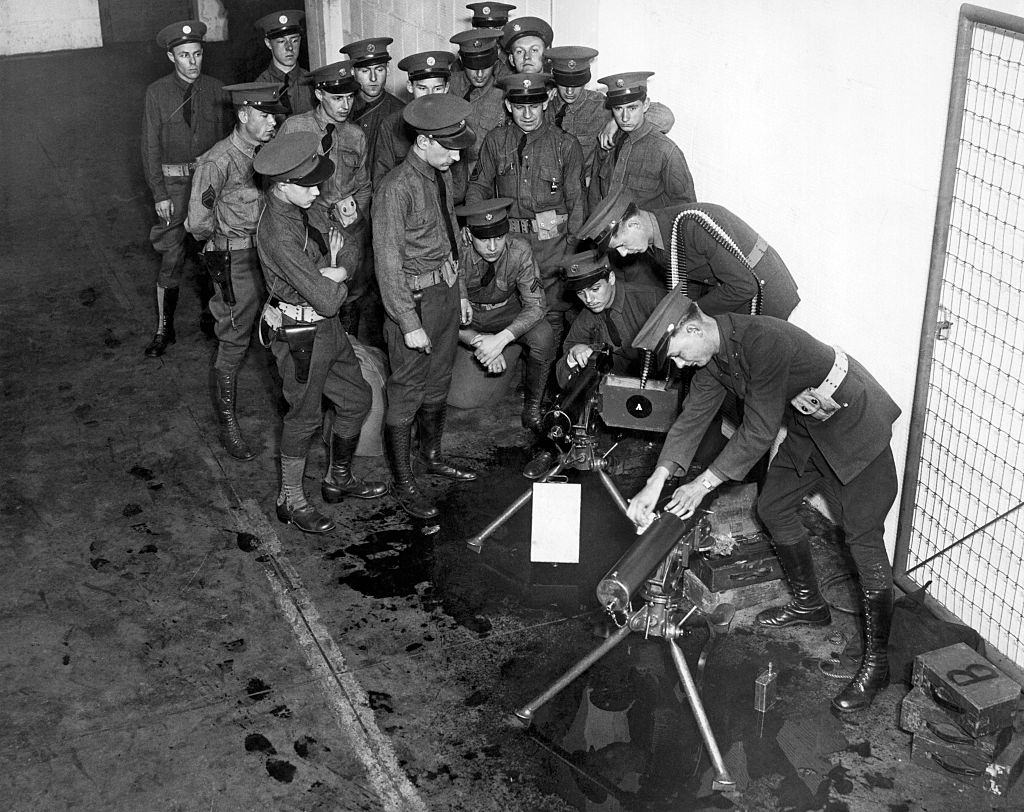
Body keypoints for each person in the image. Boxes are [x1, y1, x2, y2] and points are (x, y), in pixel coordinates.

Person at [626, 296, 901, 714]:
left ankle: (877, 664)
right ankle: (810, 605)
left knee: (863, 536)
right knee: (772, 506)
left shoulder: (762, 340)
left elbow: (758, 431)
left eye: (679, 353)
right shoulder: (714, 359)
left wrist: (702, 485)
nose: (680, 365)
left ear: (694, 329)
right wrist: (656, 480)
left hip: (852, 425)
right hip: (809, 427)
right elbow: (692, 418)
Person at [254, 132, 387, 534]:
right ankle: (290, 500)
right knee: (304, 418)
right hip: (300, 334)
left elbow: (349, 244)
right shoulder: (277, 232)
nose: (317, 190)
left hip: (327, 330)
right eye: (308, 184)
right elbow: (329, 301)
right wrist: (330, 277)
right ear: (281, 186)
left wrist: (337, 270)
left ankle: (337, 478)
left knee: (356, 397)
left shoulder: (306, 208)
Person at [373, 95, 479, 520]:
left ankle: (431, 455)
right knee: (406, 392)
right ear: (421, 141)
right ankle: (403, 481)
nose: (456, 156)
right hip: (413, 302)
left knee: (439, 381)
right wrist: (407, 320)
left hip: (446, 293)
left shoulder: (440, 174)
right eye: (449, 147)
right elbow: (387, 260)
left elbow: (452, 232)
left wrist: (463, 292)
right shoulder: (395, 188)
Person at [186, 82, 284, 460]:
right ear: (243, 115)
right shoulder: (218, 161)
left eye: (274, 114)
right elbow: (197, 222)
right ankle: (229, 426)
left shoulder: (268, 155)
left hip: (271, 256)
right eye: (264, 115)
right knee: (235, 338)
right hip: (237, 262)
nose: (273, 121)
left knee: (278, 329)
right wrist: (225, 242)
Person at [466, 72, 585, 350]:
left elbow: (578, 203)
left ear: (546, 103)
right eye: (520, 107)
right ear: (508, 106)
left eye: (534, 105)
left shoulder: (565, 145)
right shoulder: (496, 141)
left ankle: (542, 386)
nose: (527, 114)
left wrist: (571, 252)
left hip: (551, 247)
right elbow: (479, 186)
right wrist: (474, 228)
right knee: (513, 308)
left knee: (551, 314)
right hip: (507, 243)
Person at [522, 250, 666, 479]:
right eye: (581, 293)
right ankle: (554, 446)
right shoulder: (588, 316)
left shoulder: (652, 299)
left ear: (611, 278)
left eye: (595, 289)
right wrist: (572, 356)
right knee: (580, 387)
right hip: (615, 391)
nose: (589, 299)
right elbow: (561, 378)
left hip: (657, 387)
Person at [141, 20, 228, 357]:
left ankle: (216, 319)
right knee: (172, 257)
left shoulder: (217, 88)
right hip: (174, 186)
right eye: (185, 55)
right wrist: (159, 194)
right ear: (171, 57)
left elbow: (224, 141)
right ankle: (165, 328)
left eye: (197, 54)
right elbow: (150, 148)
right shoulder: (157, 93)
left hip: (208, 183)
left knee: (215, 253)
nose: (193, 62)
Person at [579, 187, 801, 319]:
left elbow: (744, 286)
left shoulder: (691, 225)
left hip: (764, 289)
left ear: (634, 224)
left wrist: (691, 312)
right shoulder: (656, 239)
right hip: (735, 287)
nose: (624, 255)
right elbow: (690, 282)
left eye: (622, 245)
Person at [278, 60, 373, 339]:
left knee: (350, 295)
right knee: (313, 294)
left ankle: (350, 349)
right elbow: (278, 182)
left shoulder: (355, 135)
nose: (345, 105)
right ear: (319, 94)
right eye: (337, 98)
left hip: (345, 229)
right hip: (308, 230)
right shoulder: (296, 128)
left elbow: (364, 185)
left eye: (349, 97)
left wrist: (353, 220)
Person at [453, 197, 554, 431]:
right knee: (460, 398)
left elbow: (536, 305)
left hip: (506, 314)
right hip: (467, 320)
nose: (492, 247)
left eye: (499, 238)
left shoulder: (519, 250)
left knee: (543, 335)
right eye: (484, 239)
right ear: (468, 234)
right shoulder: (454, 251)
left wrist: (501, 340)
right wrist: (481, 343)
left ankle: (532, 408)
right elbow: (443, 314)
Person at [544, 46, 675, 185]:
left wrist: (615, 122)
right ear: (555, 79)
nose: (569, 91)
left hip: (586, 191)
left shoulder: (600, 105)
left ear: (585, 79)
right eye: (564, 84)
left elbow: (665, 118)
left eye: (576, 84)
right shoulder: (544, 106)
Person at [588, 72, 695, 213]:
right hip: (607, 230)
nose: (624, 117)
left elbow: (686, 209)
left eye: (632, 108)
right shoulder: (607, 140)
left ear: (645, 105)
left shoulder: (666, 151)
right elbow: (594, 194)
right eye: (618, 109)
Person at [372, 51, 460, 190]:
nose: (429, 97)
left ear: (447, 88)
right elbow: (380, 183)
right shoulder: (391, 125)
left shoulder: (456, 123)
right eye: (422, 88)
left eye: (437, 88)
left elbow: (459, 187)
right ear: (409, 86)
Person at [448, 29, 508, 176]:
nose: (480, 74)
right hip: (449, 174)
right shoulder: (447, 86)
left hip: (485, 176)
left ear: (495, 61)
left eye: (485, 66)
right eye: (473, 67)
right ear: (461, 61)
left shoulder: (503, 93)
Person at [340, 37, 405, 168]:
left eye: (379, 70)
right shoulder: (342, 107)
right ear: (353, 72)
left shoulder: (400, 113)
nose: (373, 78)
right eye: (365, 71)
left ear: (388, 70)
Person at [253, 10, 313, 117]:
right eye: (281, 41)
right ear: (268, 43)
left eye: (294, 40)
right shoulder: (260, 86)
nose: (289, 47)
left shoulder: (311, 83)